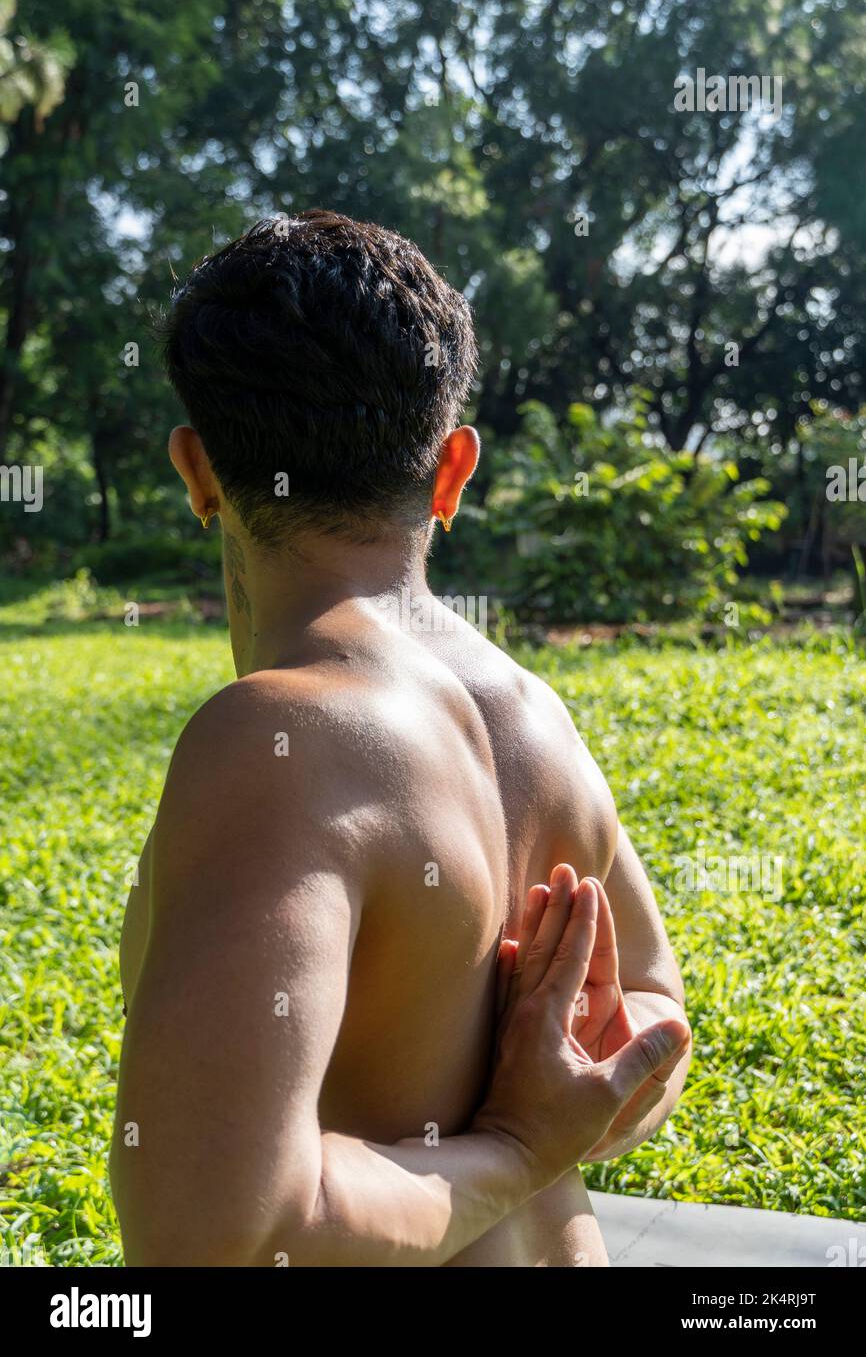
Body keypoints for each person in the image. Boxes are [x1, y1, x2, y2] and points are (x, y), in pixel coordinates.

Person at [110, 210, 691, 1267]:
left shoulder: (276, 738)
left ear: (196, 469)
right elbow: (652, 1016)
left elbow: (217, 1236)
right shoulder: (532, 716)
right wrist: (573, 1093)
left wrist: (515, 1145)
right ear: (453, 468)